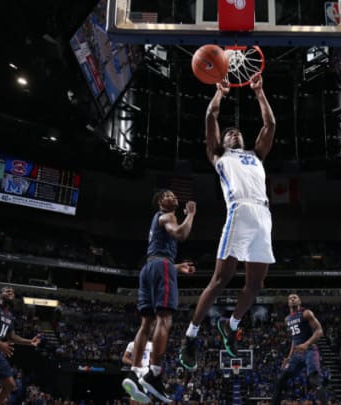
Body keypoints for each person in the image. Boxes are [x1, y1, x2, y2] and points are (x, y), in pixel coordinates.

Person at [179, 73, 276, 370]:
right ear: (220, 142)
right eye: (229, 132)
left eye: (237, 132)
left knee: (256, 284)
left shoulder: (256, 155)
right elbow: (211, 116)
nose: (234, 133)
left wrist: (259, 93)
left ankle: (231, 326)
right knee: (220, 280)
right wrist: (219, 93)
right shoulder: (219, 156)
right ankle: (191, 336)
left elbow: (270, 125)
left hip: (263, 215)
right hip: (239, 212)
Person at [122, 190, 196, 404]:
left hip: (149, 267)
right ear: (160, 203)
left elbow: (157, 255)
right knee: (164, 319)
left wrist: (176, 267)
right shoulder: (168, 216)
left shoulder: (156, 222)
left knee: (146, 322)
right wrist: (190, 214)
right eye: (168, 195)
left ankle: (134, 373)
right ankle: (154, 374)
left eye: (174, 195)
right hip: (161, 264)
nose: (173, 197)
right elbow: (181, 234)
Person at [271, 294, 326, 405]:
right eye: (290, 298)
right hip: (296, 354)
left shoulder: (306, 313)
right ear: (288, 303)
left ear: (299, 301)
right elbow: (294, 339)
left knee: (314, 380)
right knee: (280, 381)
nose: (292, 299)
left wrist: (306, 344)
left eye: (294, 297)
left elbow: (319, 331)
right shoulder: (287, 319)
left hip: (310, 350)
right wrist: (289, 357)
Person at [121, 339, 153, 404]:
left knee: (143, 394)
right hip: (135, 370)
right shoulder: (131, 344)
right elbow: (124, 358)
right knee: (133, 395)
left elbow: (151, 358)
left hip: (145, 370)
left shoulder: (150, 345)